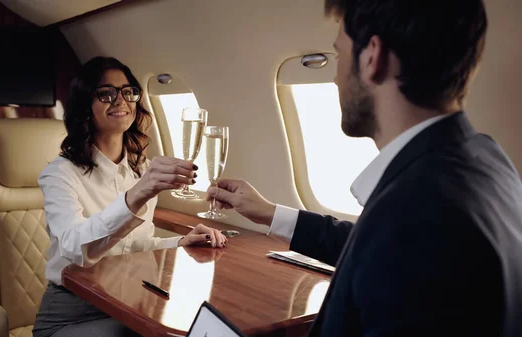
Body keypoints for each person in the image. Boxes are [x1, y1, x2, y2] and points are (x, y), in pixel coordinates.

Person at [207, 0, 522, 336]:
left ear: (373, 57)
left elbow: (401, 244)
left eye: (340, 56)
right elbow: (382, 253)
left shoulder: (418, 214)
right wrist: (271, 213)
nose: (336, 78)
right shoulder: (484, 158)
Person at [32, 56, 228, 337]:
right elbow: (75, 248)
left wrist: (179, 242)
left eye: (128, 92)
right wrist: (135, 196)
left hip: (126, 304)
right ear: (85, 105)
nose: (120, 100)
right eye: (106, 93)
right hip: (70, 316)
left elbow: (135, 245)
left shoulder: (142, 170)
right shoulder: (59, 174)